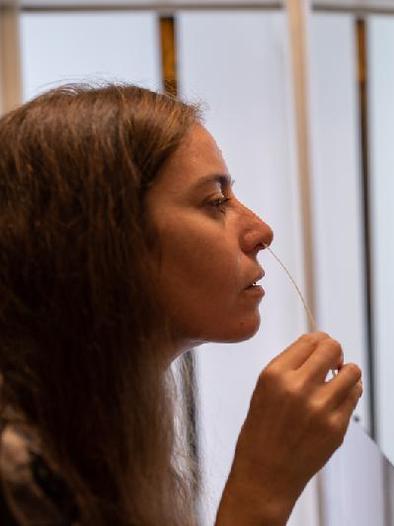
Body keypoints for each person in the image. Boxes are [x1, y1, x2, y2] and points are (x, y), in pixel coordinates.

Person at [0, 84, 363, 525]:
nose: (261, 231)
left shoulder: (95, 430)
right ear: (99, 243)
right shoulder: (15, 467)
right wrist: (261, 491)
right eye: (215, 202)